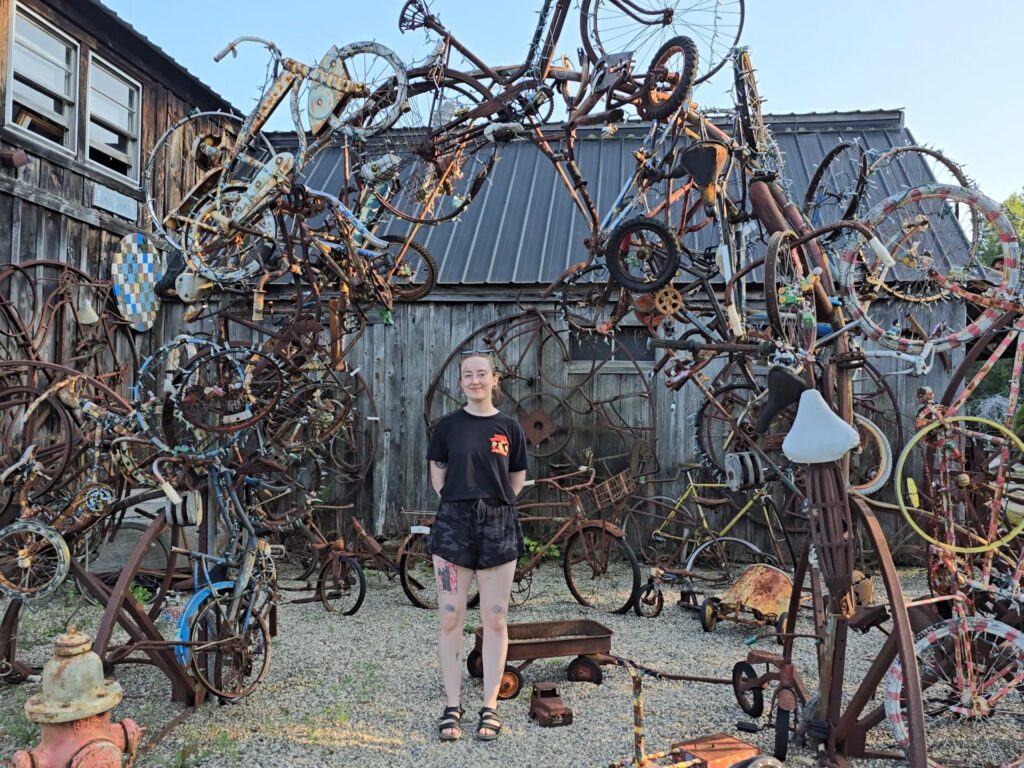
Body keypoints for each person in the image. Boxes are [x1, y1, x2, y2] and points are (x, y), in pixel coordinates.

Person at [426, 352, 528, 742]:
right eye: (467, 375)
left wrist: (496, 503)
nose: (474, 380)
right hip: (453, 526)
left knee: (495, 618)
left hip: (499, 526)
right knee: (450, 617)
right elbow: (439, 475)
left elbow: (516, 477)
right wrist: (459, 502)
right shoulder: (447, 427)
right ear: (461, 382)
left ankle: (490, 706)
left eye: (481, 374)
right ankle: (452, 706)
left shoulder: (509, 427)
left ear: (494, 379)